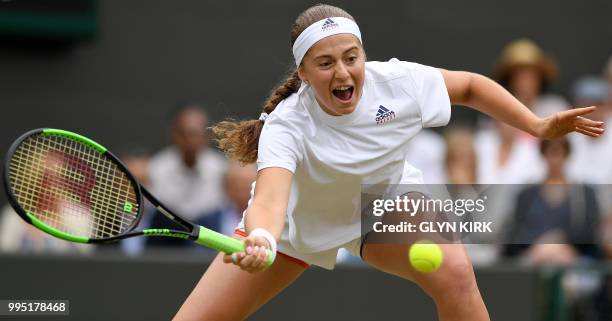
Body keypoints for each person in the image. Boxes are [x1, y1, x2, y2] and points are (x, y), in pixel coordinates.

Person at [174, 5, 604, 321]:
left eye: (351, 57)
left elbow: (470, 87)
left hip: (379, 206)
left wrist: (537, 125)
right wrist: (263, 237)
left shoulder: (398, 84)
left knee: (454, 270)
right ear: (302, 72)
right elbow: (269, 199)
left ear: (364, 55)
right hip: (291, 228)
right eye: (325, 64)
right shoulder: (288, 124)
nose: (342, 73)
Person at [146, 104, 227, 248]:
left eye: (196, 134)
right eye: (185, 134)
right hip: (166, 241)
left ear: (206, 137)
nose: (191, 140)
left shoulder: (221, 169)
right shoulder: (157, 168)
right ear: (174, 135)